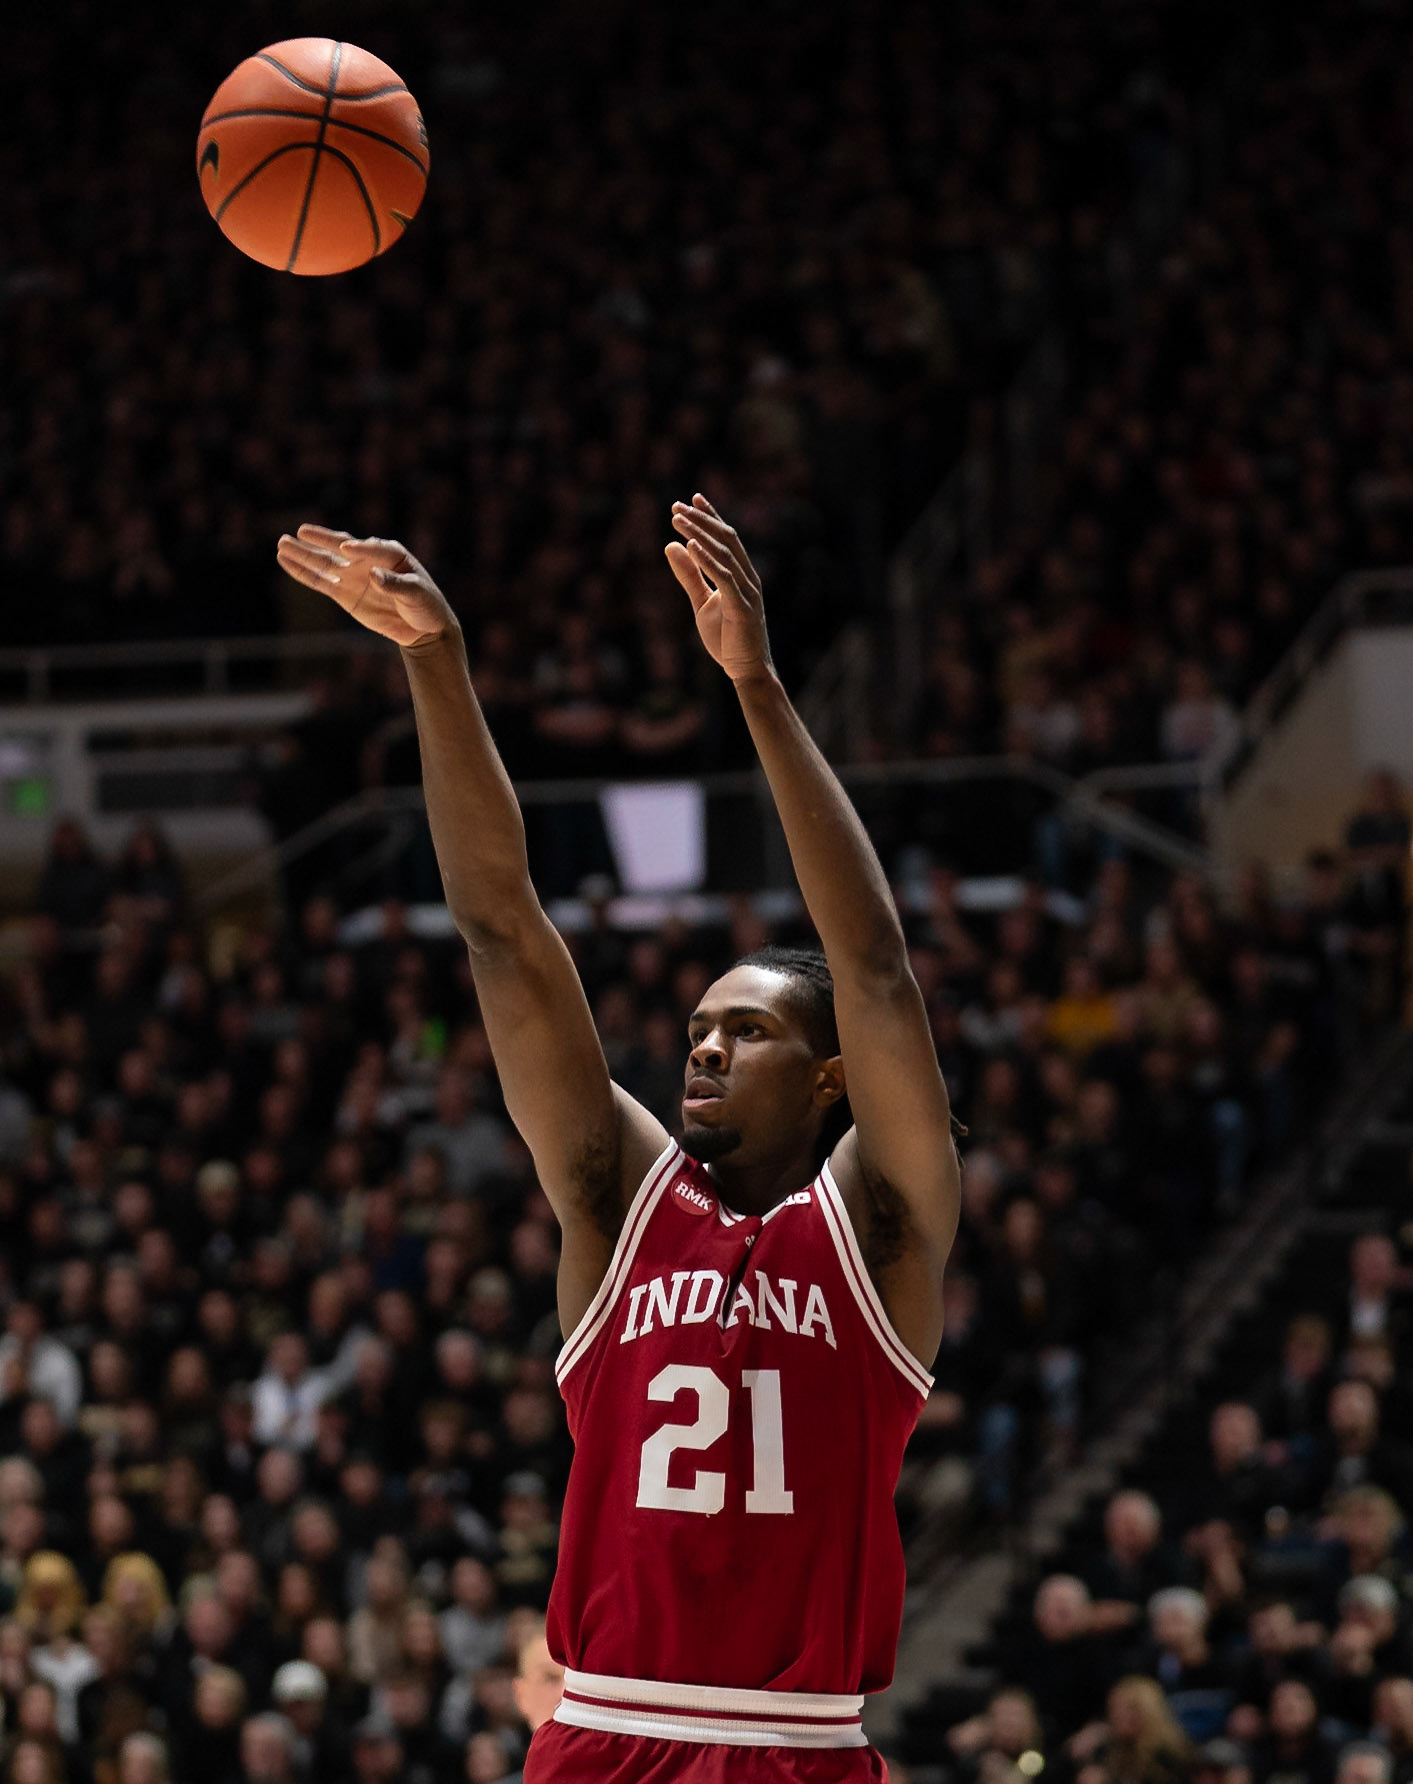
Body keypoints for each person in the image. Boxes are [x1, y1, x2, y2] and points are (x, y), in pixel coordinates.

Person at [275, 494, 961, 1783]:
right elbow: (500, 927)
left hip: (796, 1748)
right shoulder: (619, 1202)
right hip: (602, 1734)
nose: (704, 1048)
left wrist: (755, 687)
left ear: (831, 1079)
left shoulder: (881, 1228)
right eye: (698, 1028)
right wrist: (437, 663)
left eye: (748, 1031)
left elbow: (874, 967)